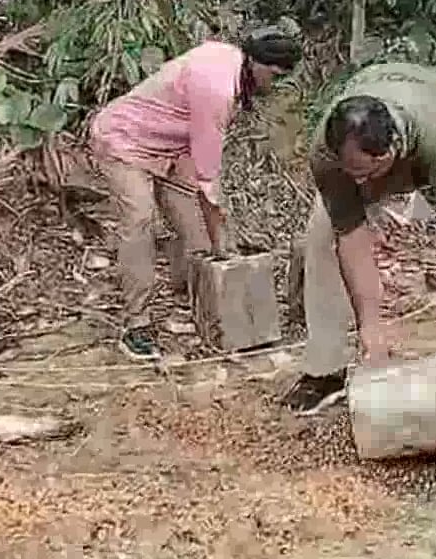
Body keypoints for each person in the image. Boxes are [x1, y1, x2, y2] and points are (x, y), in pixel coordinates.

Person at [283, 62, 436, 414]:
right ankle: (325, 369)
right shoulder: (327, 153)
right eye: (350, 173)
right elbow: (350, 235)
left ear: (392, 150)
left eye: (365, 173)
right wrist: (369, 322)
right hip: (376, 126)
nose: (358, 184)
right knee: (321, 236)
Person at [89, 28, 302, 360]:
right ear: (257, 63)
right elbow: (208, 179)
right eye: (274, 76)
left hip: (169, 147)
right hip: (124, 140)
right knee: (140, 221)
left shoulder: (233, 64)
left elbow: (202, 176)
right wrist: (222, 238)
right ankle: (136, 323)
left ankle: (199, 302)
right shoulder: (217, 87)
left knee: (195, 229)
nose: (274, 85)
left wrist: (218, 239)